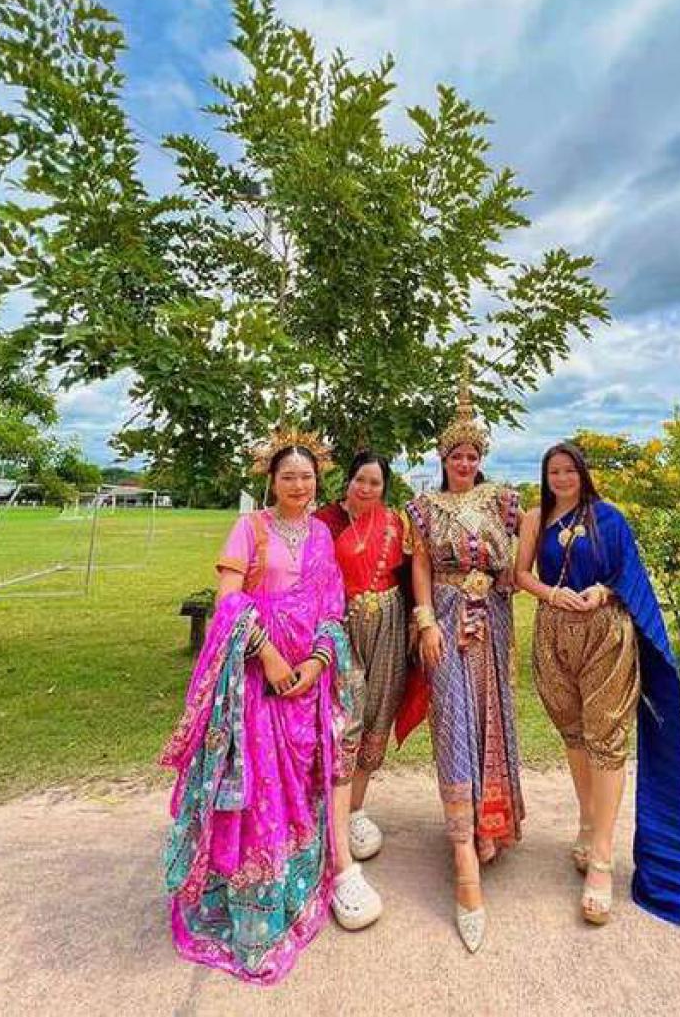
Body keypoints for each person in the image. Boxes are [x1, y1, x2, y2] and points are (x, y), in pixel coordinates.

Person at [160, 428, 381, 986]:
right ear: (272, 480)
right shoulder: (250, 528)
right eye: (289, 477)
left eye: (307, 477)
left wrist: (317, 662)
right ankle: (250, 906)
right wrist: (270, 657)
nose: (299, 486)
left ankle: (297, 885)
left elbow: (331, 606)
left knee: (301, 788)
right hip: (256, 684)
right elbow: (230, 601)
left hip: (308, 683)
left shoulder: (321, 535)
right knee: (258, 790)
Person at [515, 441, 680, 926]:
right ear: (545, 476)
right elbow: (519, 575)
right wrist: (553, 594)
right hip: (553, 633)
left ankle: (602, 858)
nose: (562, 478)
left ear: (582, 473)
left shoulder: (609, 518)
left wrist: (602, 590)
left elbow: (628, 574)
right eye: (554, 471)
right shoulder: (535, 518)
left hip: (606, 632)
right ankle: (587, 822)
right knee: (574, 734)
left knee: (606, 739)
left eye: (569, 470)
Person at [402, 375, 524, 953]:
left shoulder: (502, 501)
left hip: (492, 618)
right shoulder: (425, 508)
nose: (465, 463)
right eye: (457, 455)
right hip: (447, 618)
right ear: (443, 458)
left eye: (473, 455)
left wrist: (507, 581)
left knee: (490, 715)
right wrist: (425, 620)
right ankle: (462, 854)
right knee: (452, 719)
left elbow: (522, 554)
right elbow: (421, 565)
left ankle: (488, 824)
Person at [315, 450, 409, 861]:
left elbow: (410, 573)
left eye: (375, 482)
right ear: (348, 481)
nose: (366, 489)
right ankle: (324, 810)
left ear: (384, 488)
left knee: (378, 713)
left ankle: (355, 809)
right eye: (360, 480)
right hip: (340, 626)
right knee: (341, 715)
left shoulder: (395, 524)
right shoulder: (324, 522)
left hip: (389, 625)